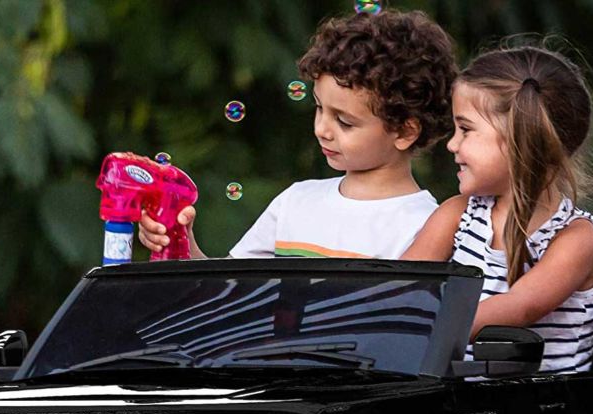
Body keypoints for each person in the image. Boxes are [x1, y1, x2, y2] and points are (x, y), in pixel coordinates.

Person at [138, 9, 458, 260]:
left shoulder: (427, 228)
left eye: (344, 122)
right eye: (319, 108)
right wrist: (180, 243)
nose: (321, 129)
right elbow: (231, 292)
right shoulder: (296, 202)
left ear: (404, 130)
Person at [402, 45, 593, 374]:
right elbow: (399, 288)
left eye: (466, 130)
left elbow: (521, 307)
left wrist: (415, 324)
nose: (451, 144)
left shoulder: (576, 239)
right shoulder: (456, 216)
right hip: (465, 409)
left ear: (521, 140)